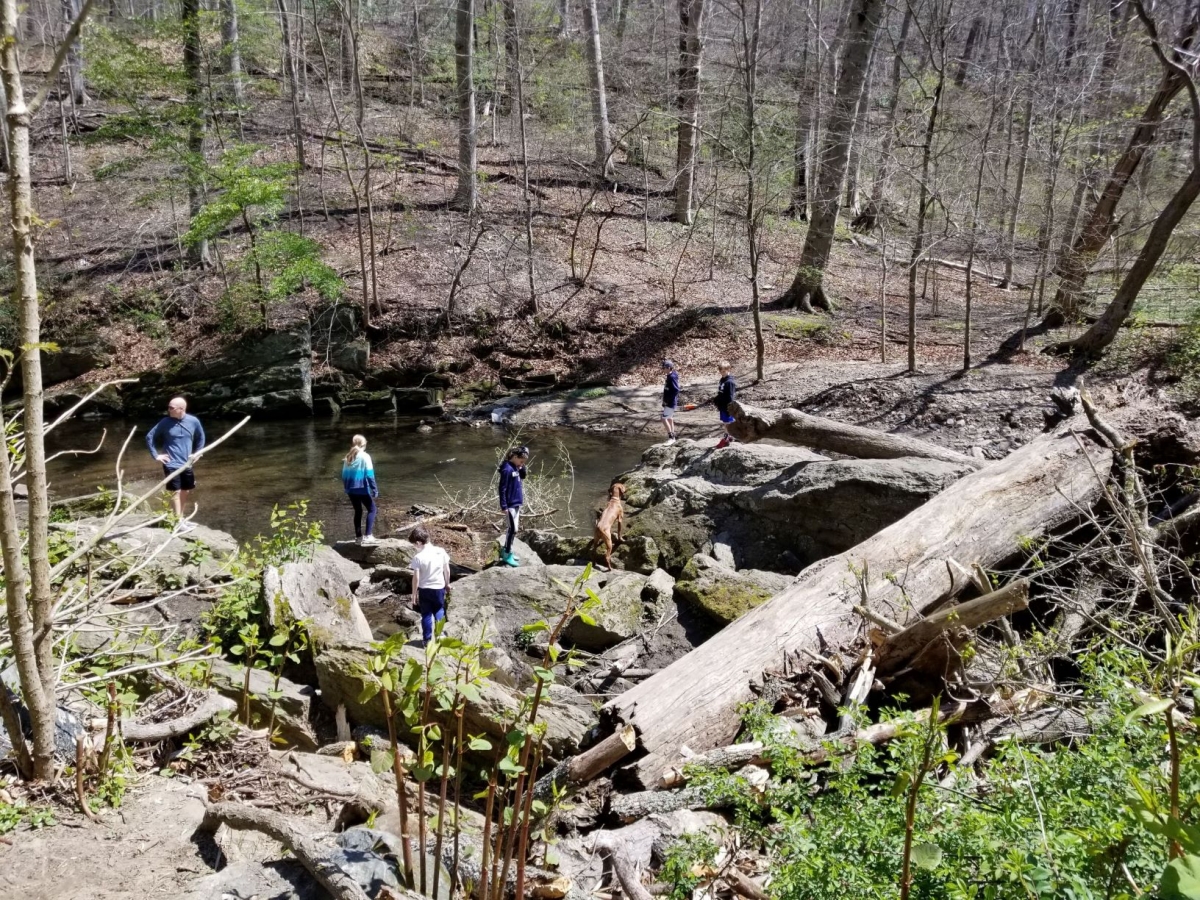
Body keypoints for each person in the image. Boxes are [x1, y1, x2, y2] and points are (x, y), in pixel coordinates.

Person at [146, 396, 206, 533]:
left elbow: (201, 437)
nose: (168, 409)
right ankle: (177, 522)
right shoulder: (165, 422)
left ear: (181, 409)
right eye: (168, 407)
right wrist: (156, 455)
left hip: (187, 463)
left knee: (186, 490)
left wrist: (198, 453)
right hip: (171, 463)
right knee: (176, 491)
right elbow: (149, 437)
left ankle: (180, 518)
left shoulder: (193, 421)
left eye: (171, 407)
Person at [409, 525, 451, 647]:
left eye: (414, 545)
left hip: (425, 589)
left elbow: (416, 578)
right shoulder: (440, 551)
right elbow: (447, 570)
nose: (414, 547)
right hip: (439, 588)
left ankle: (427, 640)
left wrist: (414, 595)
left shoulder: (418, 557)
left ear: (418, 543)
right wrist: (447, 584)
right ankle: (440, 634)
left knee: (426, 614)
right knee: (439, 610)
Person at [341, 434, 379, 545]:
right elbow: (369, 475)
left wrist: (347, 487)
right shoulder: (365, 456)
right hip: (361, 488)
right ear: (364, 444)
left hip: (350, 489)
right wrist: (374, 489)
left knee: (358, 511)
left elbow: (343, 475)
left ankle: (358, 538)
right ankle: (368, 536)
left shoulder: (348, 456)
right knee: (372, 509)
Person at [497, 445, 529, 568]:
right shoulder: (507, 469)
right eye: (521, 460)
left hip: (516, 503)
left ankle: (506, 550)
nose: (522, 463)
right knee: (512, 529)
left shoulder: (516, 466)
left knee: (514, 529)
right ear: (514, 457)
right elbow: (502, 488)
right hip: (509, 504)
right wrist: (503, 505)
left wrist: (522, 467)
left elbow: (523, 476)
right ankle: (507, 553)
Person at [713, 361, 737, 449]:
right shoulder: (722, 380)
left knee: (727, 423)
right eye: (720, 371)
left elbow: (730, 396)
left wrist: (729, 408)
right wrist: (716, 399)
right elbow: (721, 392)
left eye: (723, 371)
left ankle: (725, 439)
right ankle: (730, 437)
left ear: (728, 370)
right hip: (722, 406)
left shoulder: (730, 382)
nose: (722, 373)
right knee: (725, 422)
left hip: (727, 407)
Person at [661, 359, 680, 445]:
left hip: (670, 403)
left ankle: (671, 437)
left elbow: (676, 390)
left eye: (664, 367)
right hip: (669, 402)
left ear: (669, 368)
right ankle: (673, 437)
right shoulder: (670, 375)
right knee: (669, 418)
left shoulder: (672, 377)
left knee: (663, 418)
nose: (663, 369)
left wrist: (667, 401)